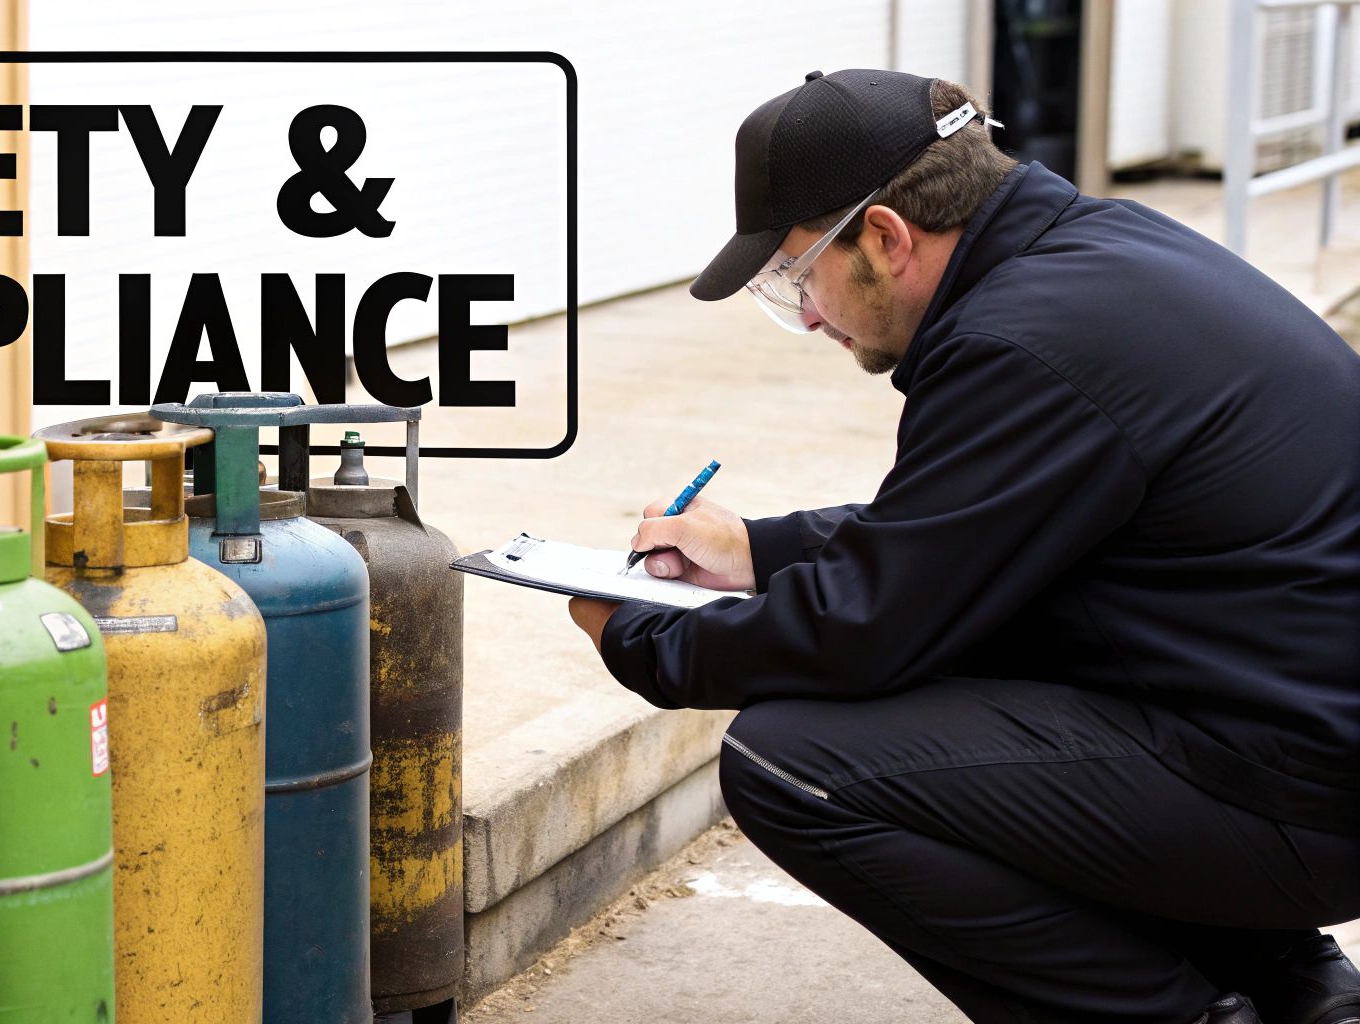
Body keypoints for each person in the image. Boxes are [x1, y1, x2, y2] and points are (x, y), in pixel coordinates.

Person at [566, 69, 1360, 1024]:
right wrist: (753, 549)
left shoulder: (1021, 345)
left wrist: (643, 638)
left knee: (794, 762)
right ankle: (1297, 988)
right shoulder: (1100, 255)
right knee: (984, 674)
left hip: (1297, 800)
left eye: (794, 276)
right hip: (1290, 740)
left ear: (887, 237)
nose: (808, 314)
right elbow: (974, 529)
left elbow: (865, 631)